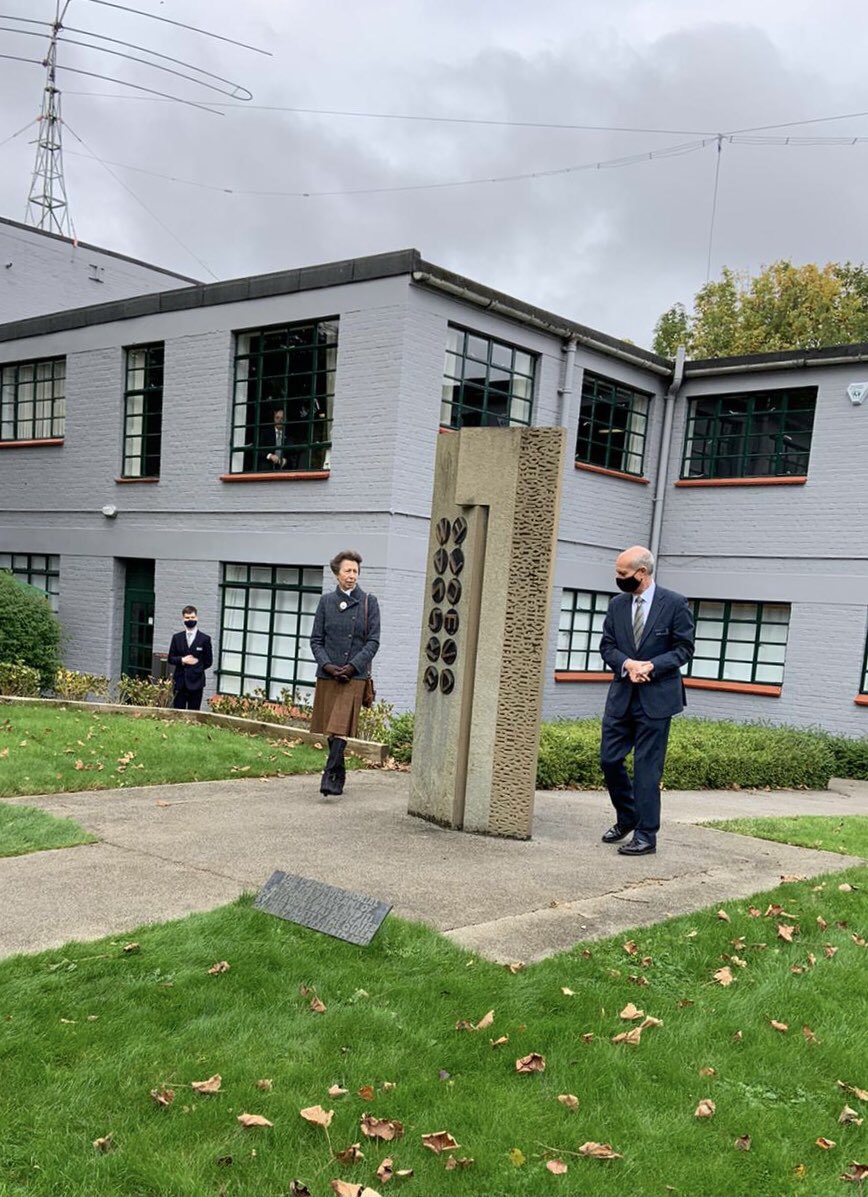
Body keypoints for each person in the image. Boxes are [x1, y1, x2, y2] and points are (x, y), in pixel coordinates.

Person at [598, 546, 694, 856]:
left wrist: (650, 666)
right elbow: (607, 647)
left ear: (642, 573)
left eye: (622, 574)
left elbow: (683, 650)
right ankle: (627, 817)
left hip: (656, 699)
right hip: (622, 695)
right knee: (609, 760)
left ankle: (646, 835)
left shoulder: (675, 604)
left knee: (647, 769)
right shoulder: (616, 605)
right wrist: (628, 665)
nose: (618, 578)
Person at [309, 550, 380, 796]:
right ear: (337, 573)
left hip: (354, 675)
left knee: (339, 725)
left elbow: (373, 641)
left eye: (355, 571)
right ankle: (339, 772)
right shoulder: (326, 602)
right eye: (347, 571)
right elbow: (316, 640)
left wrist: (352, 667)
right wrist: (328, 665)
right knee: (331, 728)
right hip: (329, 673)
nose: (352, 576)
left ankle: (329, 775)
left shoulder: (369, 601)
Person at [167, 605, 213, 710]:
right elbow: (171, 658)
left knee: (194, 712)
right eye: (187, 618)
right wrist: (183, 660)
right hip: (180, 682)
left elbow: (208, 661)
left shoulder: (205, 639)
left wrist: (196, 667)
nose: (190, 620)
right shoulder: (177, 638)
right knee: (178, 712)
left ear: (196, 618)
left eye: (192, 617)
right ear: (183, 618)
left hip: (197, 683)